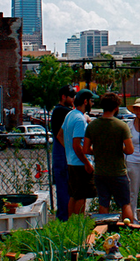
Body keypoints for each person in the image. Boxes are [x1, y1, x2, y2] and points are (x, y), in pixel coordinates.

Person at [83, 93, 135, 221]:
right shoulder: (121, 126)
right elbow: (129, 149)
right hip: (118, 172)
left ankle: (103, 230)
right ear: (116, 107)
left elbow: (85, 149)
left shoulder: (92, 126)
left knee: (103, 204)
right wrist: (118, 148)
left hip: (100, 172)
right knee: (125, 204)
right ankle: (129, 231)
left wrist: (99, 150)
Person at [59, 89, 97, 217]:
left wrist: (68, 149)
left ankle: (71, 224)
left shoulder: (70, 115)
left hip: (71, 162)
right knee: (81, 195)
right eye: (91, 101)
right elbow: (77, 145)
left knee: (74, 195)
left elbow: (60, 135)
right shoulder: (80, 120)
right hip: (80, 164)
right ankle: (79, 223)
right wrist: (87, 163)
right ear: (85, 101)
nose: (92, 104)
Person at [51, 86, 76, 221]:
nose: (73, 100)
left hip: (63, 155)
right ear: (63, 97)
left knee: (66, 190)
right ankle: (64, 219)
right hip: (62, 157)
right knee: (64, 191)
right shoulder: (62, 111)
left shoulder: (60, 112)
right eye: (71, 97)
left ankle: (64, 217)